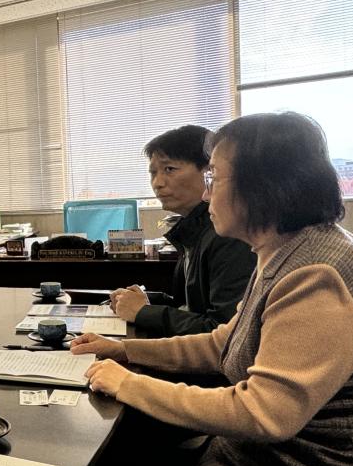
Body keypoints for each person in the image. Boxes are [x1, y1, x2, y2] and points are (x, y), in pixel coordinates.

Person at [72, 112, 353, 466]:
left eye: (215, 176)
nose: (208, 192)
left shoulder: (318, 272)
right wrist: (126, 351)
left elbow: (265, 413)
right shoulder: (288, 249)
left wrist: (128, 384)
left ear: (264, 184)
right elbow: (224, 342)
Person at [109, 124, 254, 336]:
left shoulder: (228, 235)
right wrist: (142, 301)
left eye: (169, 169)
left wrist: (143, 312)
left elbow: (224, 331)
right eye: (153, 173)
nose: (157, 183)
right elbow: (188, 307)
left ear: (210, 171)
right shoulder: (193, 232)